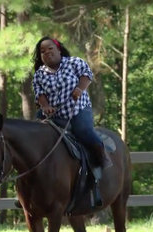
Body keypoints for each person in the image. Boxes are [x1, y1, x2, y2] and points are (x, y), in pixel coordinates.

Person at [32, 36, 112, 170]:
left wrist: (80, 89)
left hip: (77, 109)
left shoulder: (74, 62)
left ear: (59, 50)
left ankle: (102, 155)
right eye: (42, 51)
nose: (47, 52)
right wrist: (46, 106)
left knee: (83, 131)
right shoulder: (39, 74)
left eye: (50, 48)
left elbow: (86, 75)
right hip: (54, 114)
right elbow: (39, 94)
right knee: (33, 132)